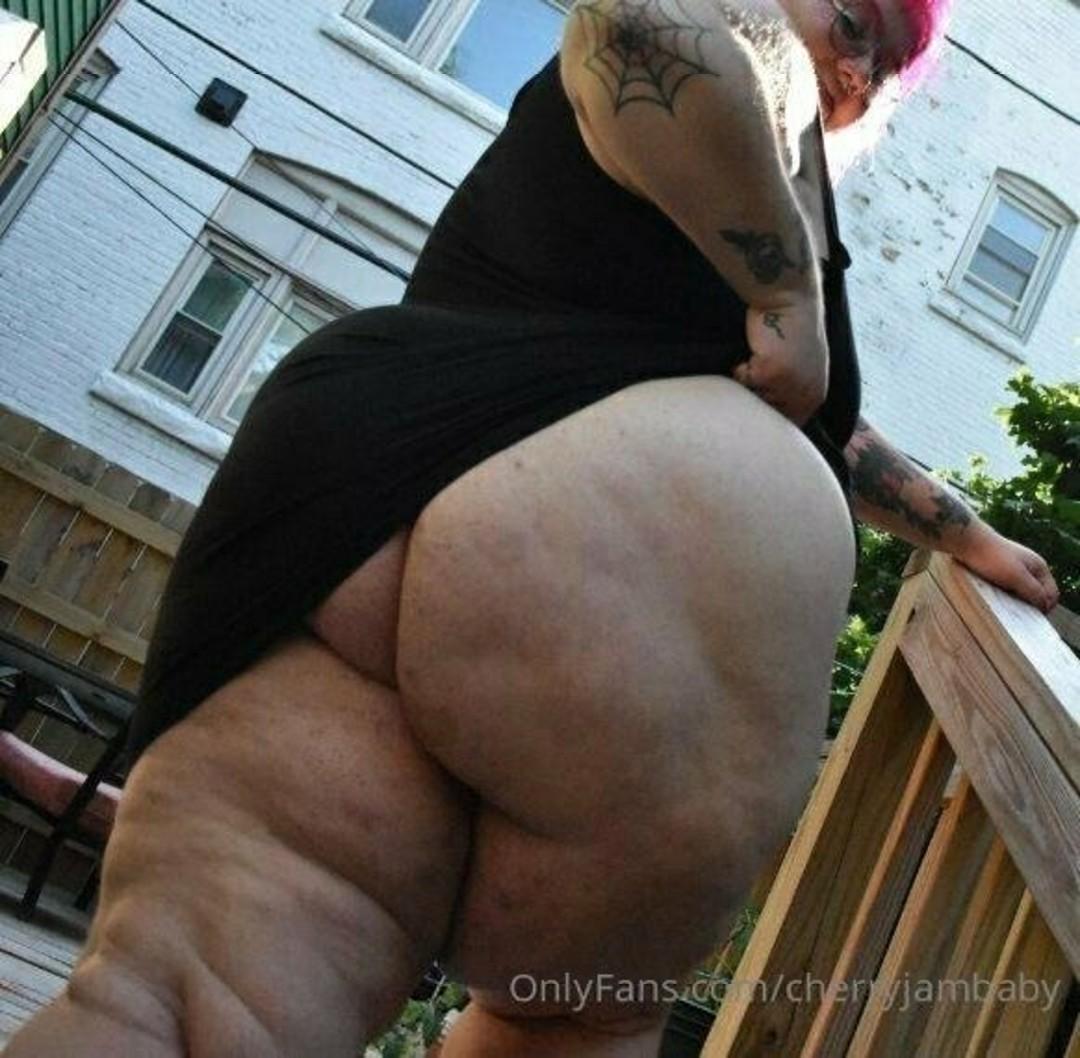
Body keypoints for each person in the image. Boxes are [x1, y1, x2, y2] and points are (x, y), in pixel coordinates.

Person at [7, 1, 1059, 1056]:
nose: (862, 62)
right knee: (564, 1027)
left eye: (891, 60)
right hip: (594, 555)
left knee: (179, 1003)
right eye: (855, 17)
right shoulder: (754, 67)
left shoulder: (766, 184)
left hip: (354, 495)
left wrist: (963, 534)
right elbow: (639, 26)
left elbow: (822, 420)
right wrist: (788, 295)